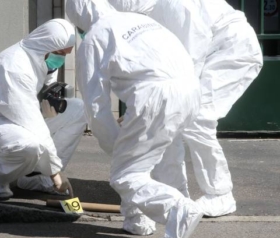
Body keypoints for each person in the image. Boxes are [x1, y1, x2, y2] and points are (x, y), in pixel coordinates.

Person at [66, 0, 203, 238]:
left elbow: (96, 106)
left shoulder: (95, 38)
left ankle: (177, 209)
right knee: (164, 155)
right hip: (190, 90)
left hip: (154, 96)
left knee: (127, 174)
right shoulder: (141, 20)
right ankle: (139, 221)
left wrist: (116, 148)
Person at [108, 0, 263, 217]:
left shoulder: (171, 6)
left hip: (233, 51)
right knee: (174, 119)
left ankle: (221, 194)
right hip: (215, 50)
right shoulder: (155, 13)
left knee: (198, 118)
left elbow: (190, 55)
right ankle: (174, 192)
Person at [0, 19, 87, 199]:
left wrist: (47, 101)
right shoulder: (14, 67)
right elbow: (33, 124)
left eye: (66, 54)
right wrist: (55, 171)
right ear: (46, 45)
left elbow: (38, 97)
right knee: (28, 144)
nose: (61, 59)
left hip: (16, 119)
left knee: (78, 109)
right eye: (59, 53)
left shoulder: (42, 59)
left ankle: (34, 177)